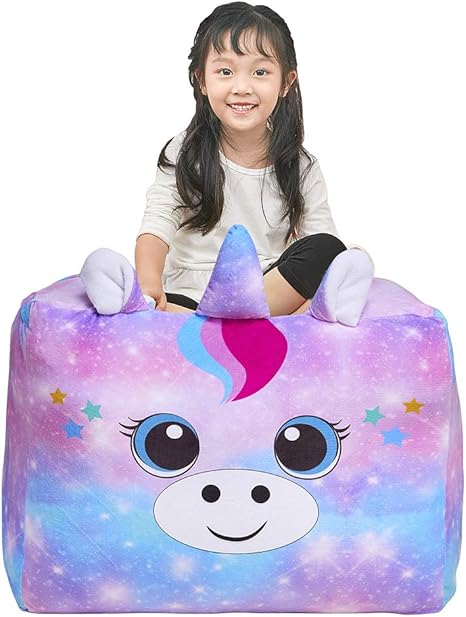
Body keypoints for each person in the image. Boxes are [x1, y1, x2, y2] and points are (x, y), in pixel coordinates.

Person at [135, 2, 372, 316]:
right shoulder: (184, 152)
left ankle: (230, 320)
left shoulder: (301, 165)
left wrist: (335, 267)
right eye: (225, 71)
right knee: (168, 306)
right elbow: (158, 223)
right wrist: (148, 285)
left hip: (264, 289)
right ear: (201, 79)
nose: (242, 87)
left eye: (260, 72)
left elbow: (320, 245)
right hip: (193, 294)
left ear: (286, 82)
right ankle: (249, 320)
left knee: (328, 248)